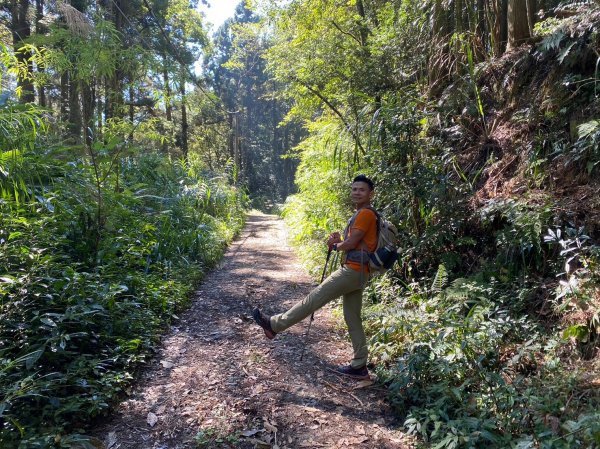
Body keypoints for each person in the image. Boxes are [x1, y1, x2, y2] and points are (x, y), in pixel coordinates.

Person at [252, 174, 378, 379]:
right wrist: (340, 241)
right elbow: (355, 242)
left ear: (370, 193)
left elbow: (353, 242)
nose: (356, 192)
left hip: (353, 271)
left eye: (361, 189)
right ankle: (359, 365)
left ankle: (274, 325)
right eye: (354, 189)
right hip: (361, 273)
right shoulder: (364, 214)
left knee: (314, 298)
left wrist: (337, 245)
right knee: (352, 317)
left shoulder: (365, 214)